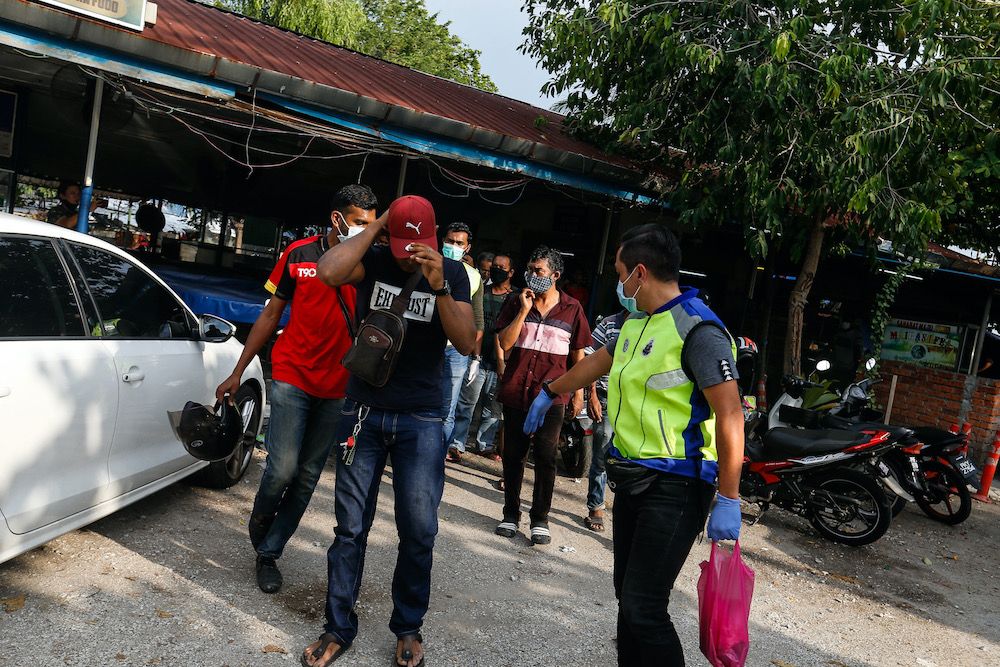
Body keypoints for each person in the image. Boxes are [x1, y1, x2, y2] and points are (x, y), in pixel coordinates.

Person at [521, 224, 744, 665]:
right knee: (628, 597)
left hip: (677, 486)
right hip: (632, 479)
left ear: (639, 273)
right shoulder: (637, 323)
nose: (619, 281)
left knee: (645, 606)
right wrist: (551, 391)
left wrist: (730, 497)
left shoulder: (698, 329)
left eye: (621, 272)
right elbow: (597, 364)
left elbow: (731, 414)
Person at [301, 195, 475, 667]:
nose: (406, 254)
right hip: (363, 411)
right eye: (400, 241)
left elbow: (464, 341)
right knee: (349, 527)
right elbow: (329, 271)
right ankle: (338, 627)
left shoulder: (454, 273)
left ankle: (408, 626)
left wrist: (440, 287)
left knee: (418, 529)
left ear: (434, 238)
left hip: (420, 419)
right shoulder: (374, 257)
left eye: (415, 243)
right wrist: (379, 224)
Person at [215, 184, 378, 595]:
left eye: (371, 225)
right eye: (359, 223)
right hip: (292, 373)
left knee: (307, 477)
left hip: (340, 384)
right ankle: (261, 518)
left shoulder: (373, 265)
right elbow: (271, 314)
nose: (365, 231)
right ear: (336, 219)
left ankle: (268, 552)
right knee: (282, 469)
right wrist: (239, 370)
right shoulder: (298, 253)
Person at [494, 246, 590, 545]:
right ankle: (510, 514)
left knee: (547, 457)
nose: (532, 276)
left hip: (552, 397)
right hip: (516, 391)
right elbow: (506, 344)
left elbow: (578, 356)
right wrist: (523, 311)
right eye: (530, 270)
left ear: (555, 276)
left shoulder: (573, 309)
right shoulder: (515, 301)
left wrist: (579, 395)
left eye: (539, 272)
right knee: (513, 456)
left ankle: (540, 519)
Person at [448, 252, 515, 461]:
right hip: (476, 358)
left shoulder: (515, 298)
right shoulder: (481, 292)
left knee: (493, 408)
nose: (495, 270)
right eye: (493, 266)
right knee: (466, 403)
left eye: (501, 268)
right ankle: (456, 443)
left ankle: (484, 445)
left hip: (501, 363)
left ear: (511, 272)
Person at [440, 222, 484, 461]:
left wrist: (475, 358)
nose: (453, 246)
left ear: (467, 247)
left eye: (459, 243)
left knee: (448, 411)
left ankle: (436, 460)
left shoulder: (474, 276)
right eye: (449, 241)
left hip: (457, 352)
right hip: (429, 345)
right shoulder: (430, 266)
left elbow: (478, 320)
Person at [582, 309, 627, 532]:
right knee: (601, 456)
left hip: (633, 405)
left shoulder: (651, 325)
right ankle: (596, 507)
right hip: (606, 399)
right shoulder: (609, 325)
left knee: (628, 461)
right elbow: (589, 358)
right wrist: (591, 394)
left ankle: (625, 513)